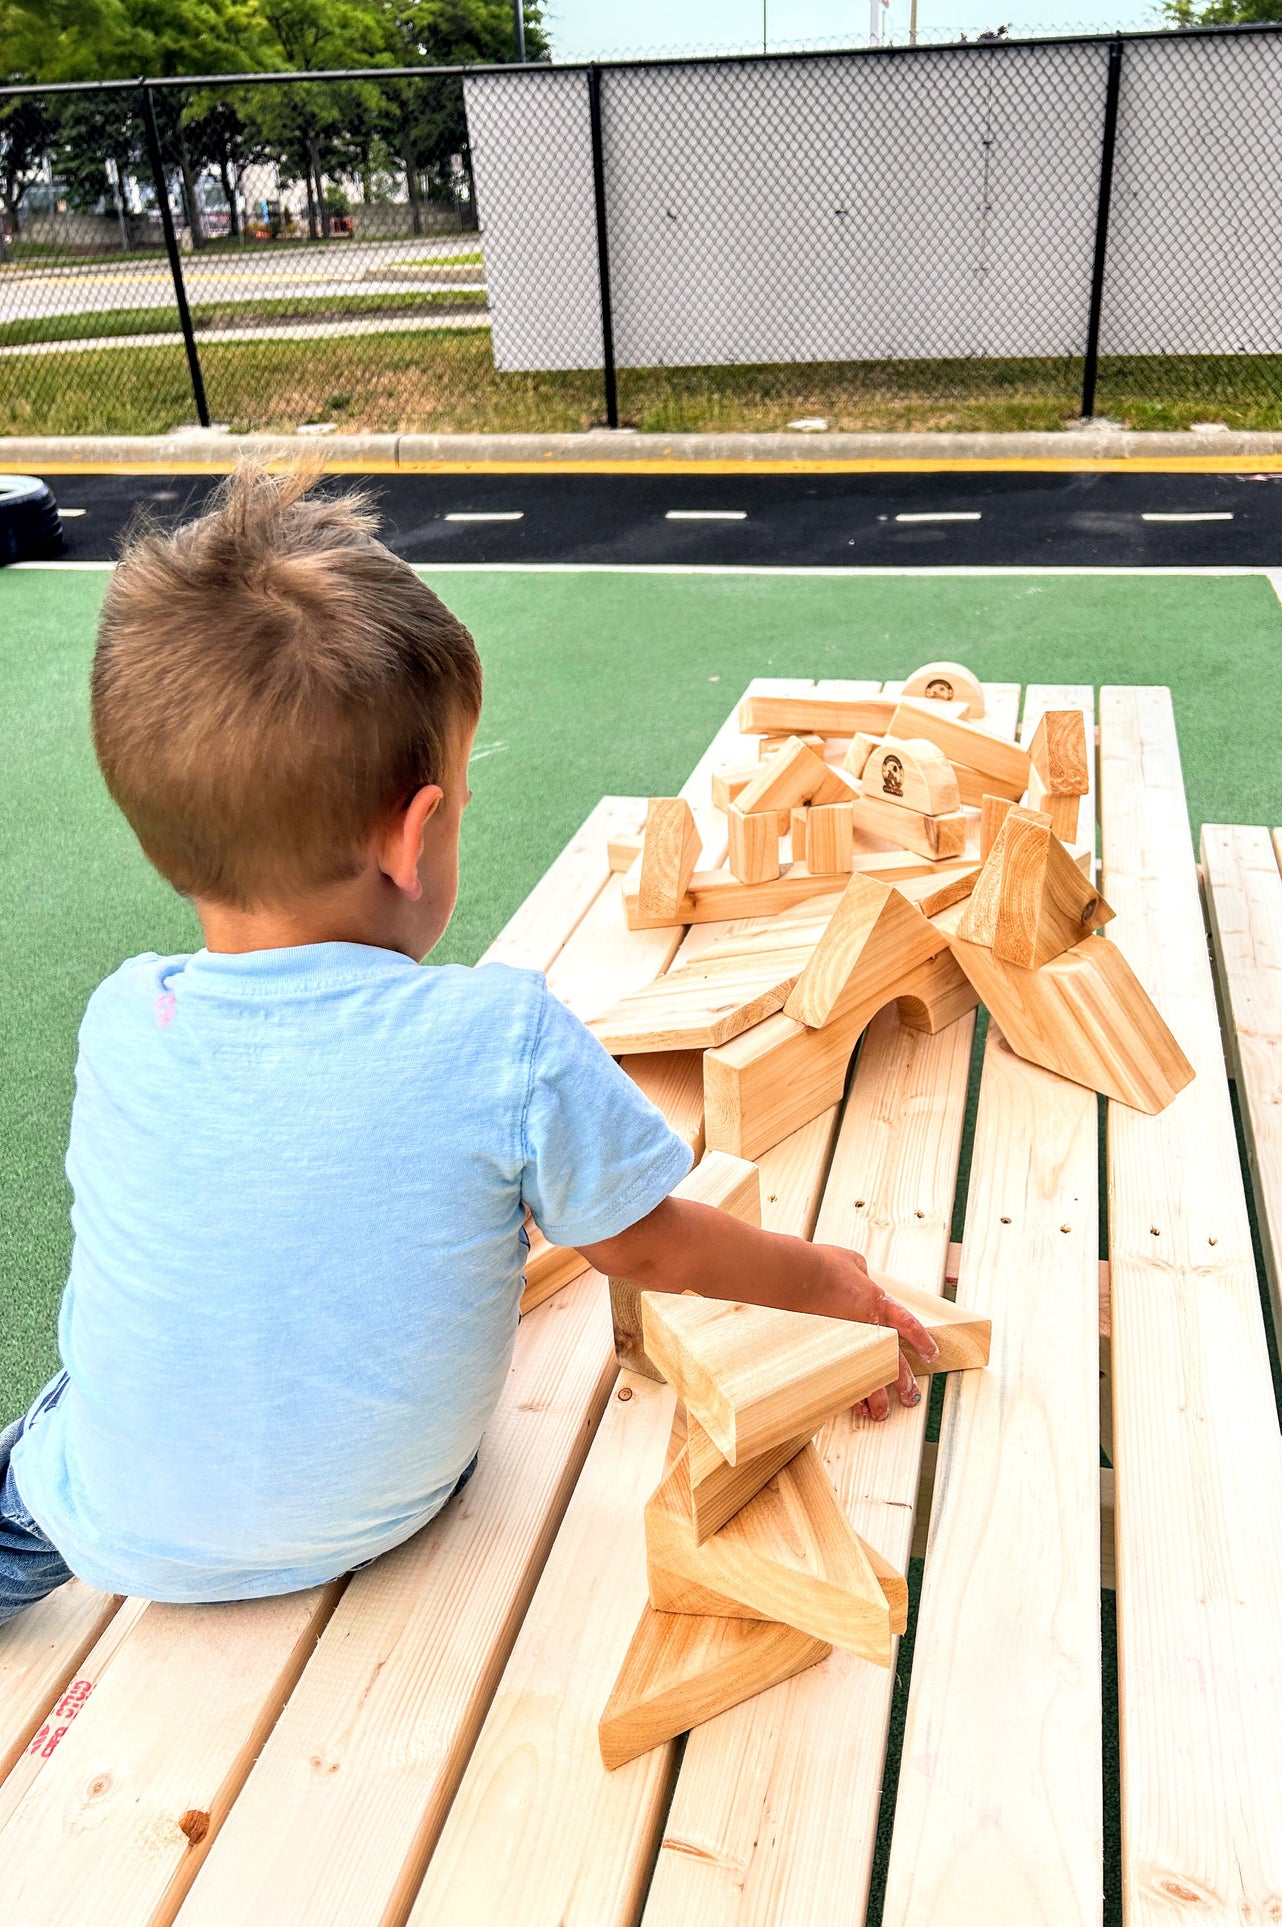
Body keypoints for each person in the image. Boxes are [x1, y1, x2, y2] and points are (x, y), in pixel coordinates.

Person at [0, 467, 936, 1626]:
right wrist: (826, 1283)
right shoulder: (502, 1035)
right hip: (386, 1503)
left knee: (60, 1423)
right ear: (416, 837)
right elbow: (648, 1250)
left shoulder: (121, 1015)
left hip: (122, 1519)